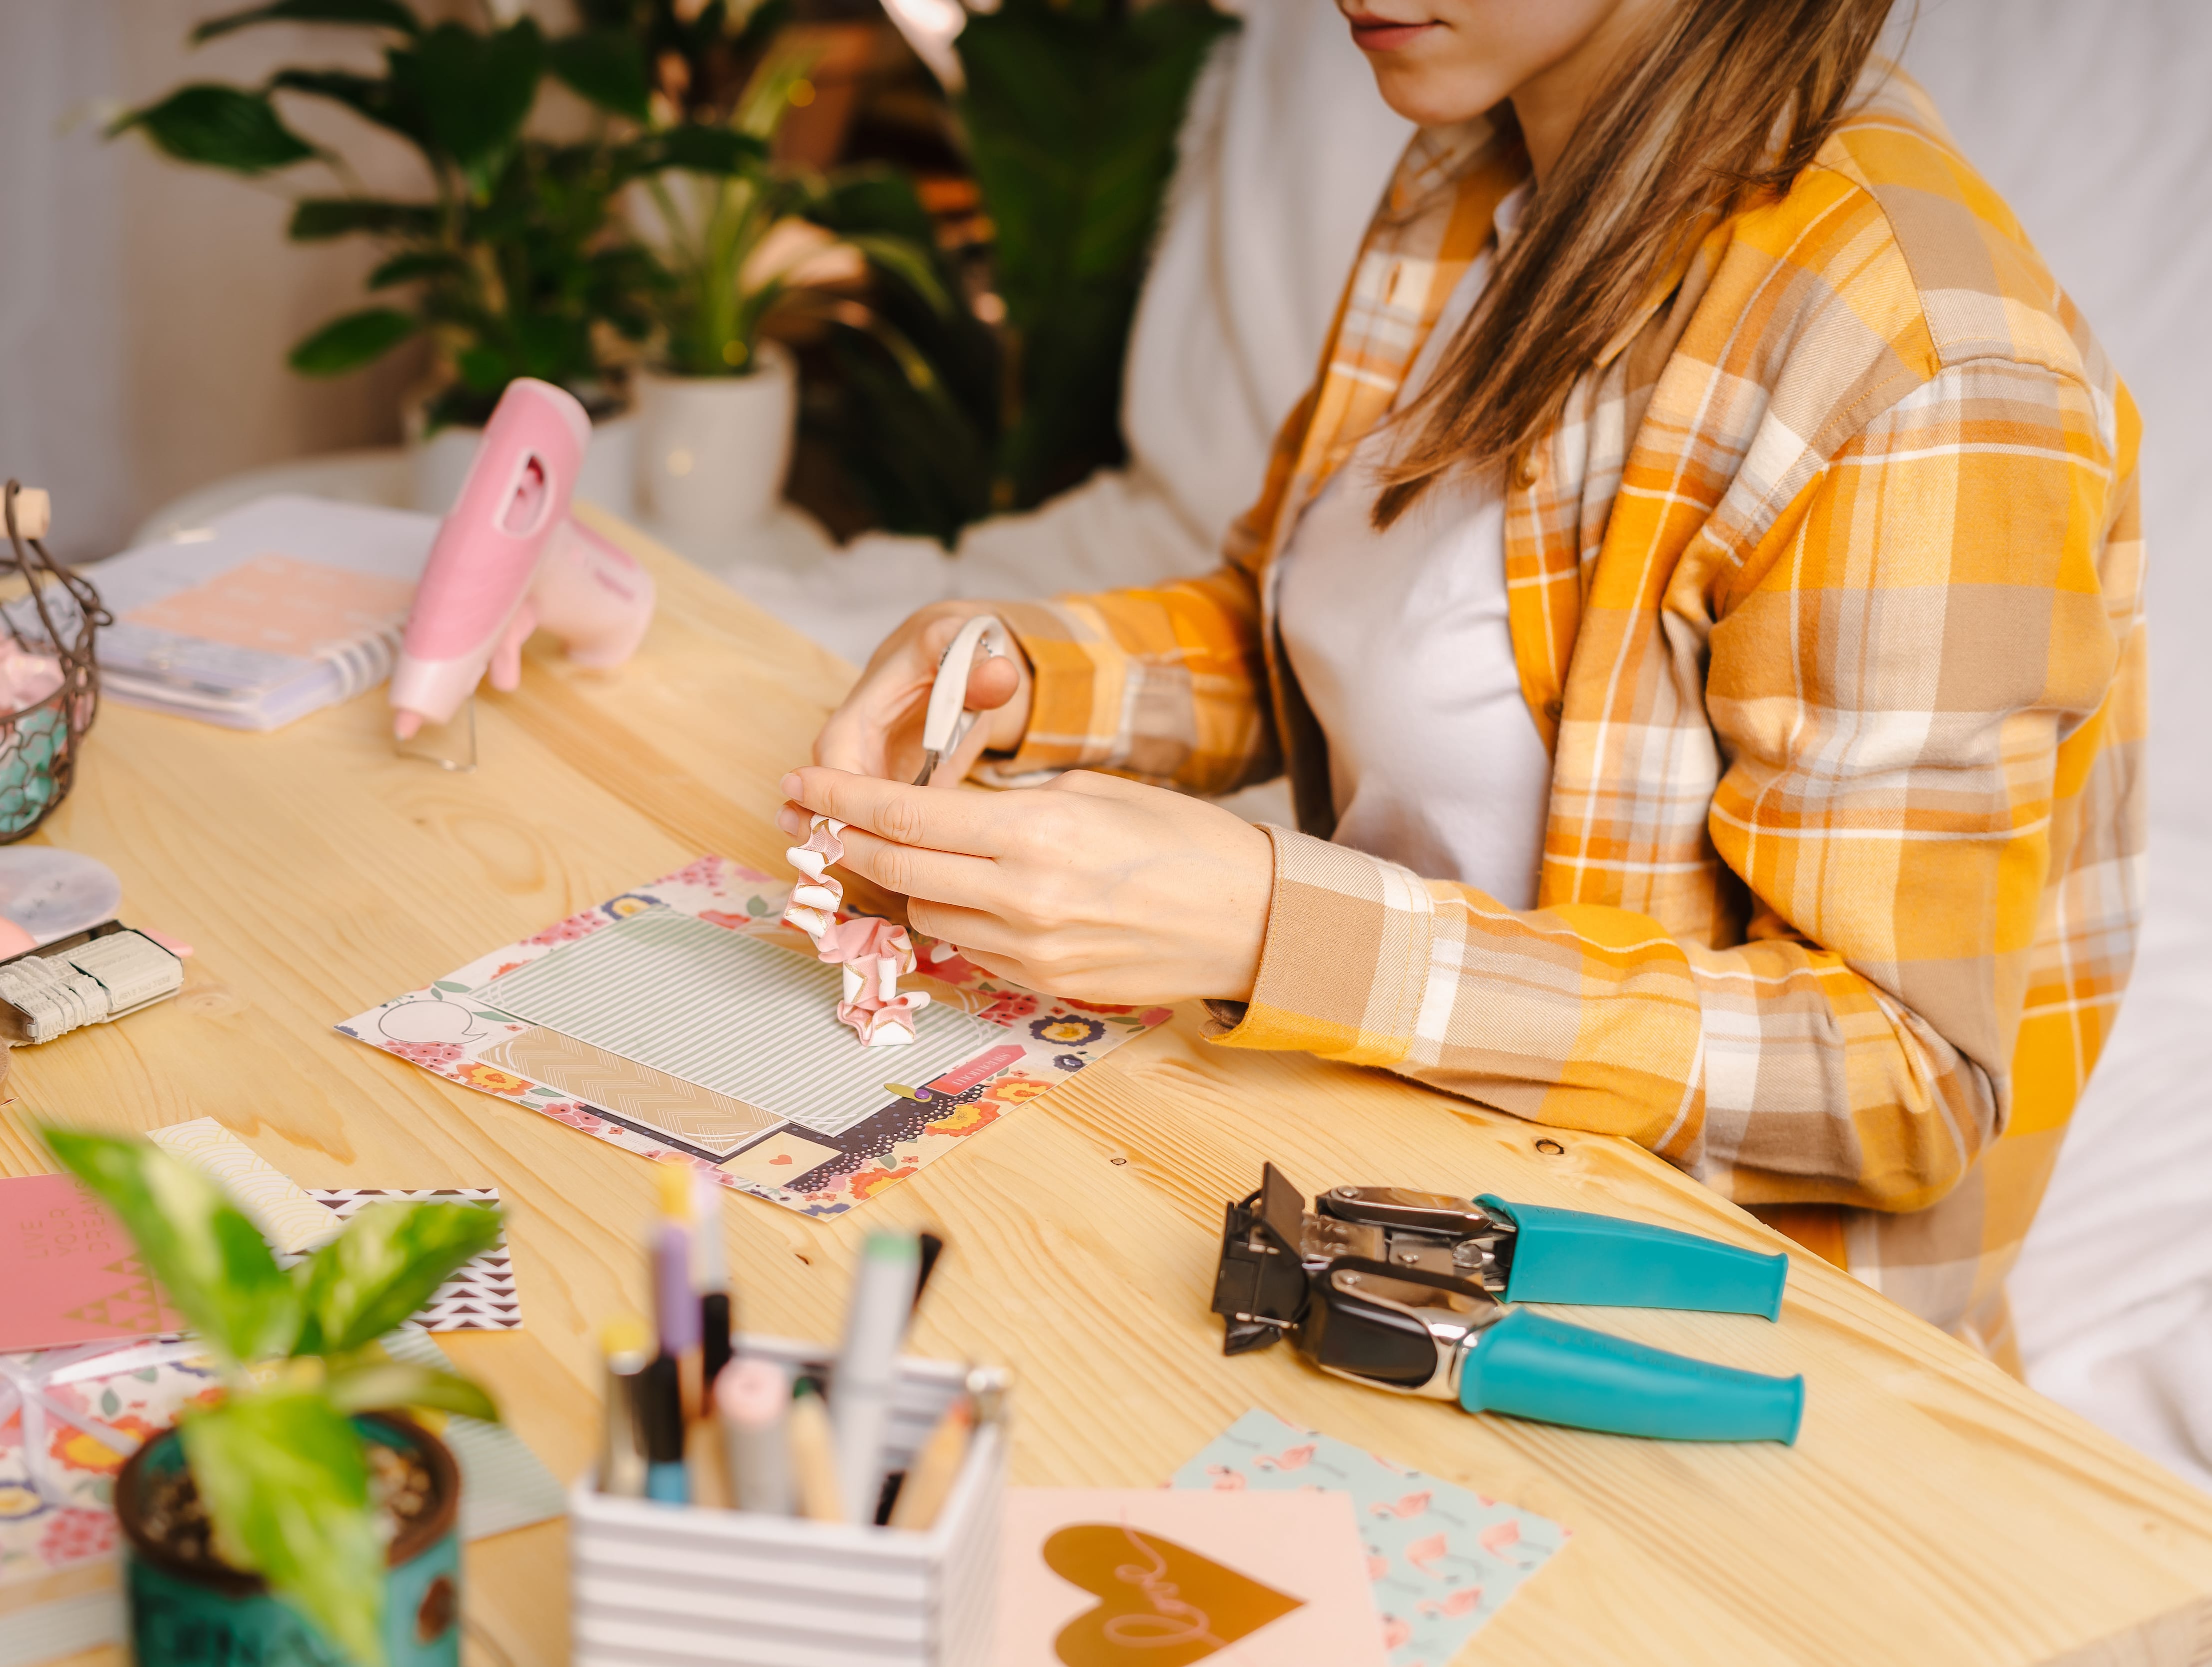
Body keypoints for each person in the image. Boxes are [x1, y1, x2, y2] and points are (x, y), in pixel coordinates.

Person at [780, 0, 2145, 1365]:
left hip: (1668, 1342)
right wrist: (1029, 673)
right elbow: (1325, 637)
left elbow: (1901, 1077)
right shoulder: (1471, 162)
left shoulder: (1928, 358)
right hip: (1374, 1187)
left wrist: (1279, 931)